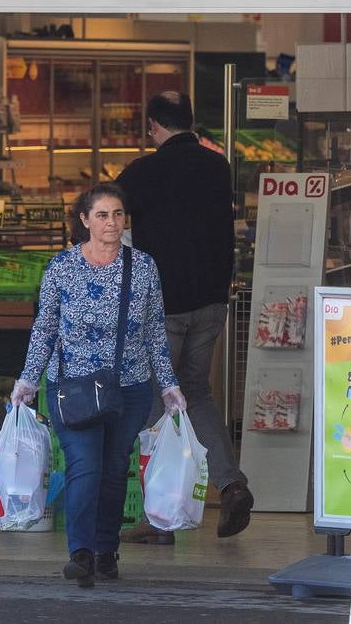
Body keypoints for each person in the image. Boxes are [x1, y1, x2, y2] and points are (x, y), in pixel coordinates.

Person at [10, 183, 187, 588]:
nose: (112, 223)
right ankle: (82, 553)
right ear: (85, 220)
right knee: (84, 466)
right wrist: (27, 379)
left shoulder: (142, 267)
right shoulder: (62, 268)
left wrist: (169, 386)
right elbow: (45, 329)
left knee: (113, 470)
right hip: (71, 388)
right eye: (103, 215)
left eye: (118, 214)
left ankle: (106, 551)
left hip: (129, 386)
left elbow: (156, 332)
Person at [115, 90, 254, 544]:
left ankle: (160, 519)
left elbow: (104, 216)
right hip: (210, 304)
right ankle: (231, 484)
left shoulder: (143, 172)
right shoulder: (217, 167)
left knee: (158, 401)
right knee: (196, 392)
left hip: (164, 309)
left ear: (154, 125)